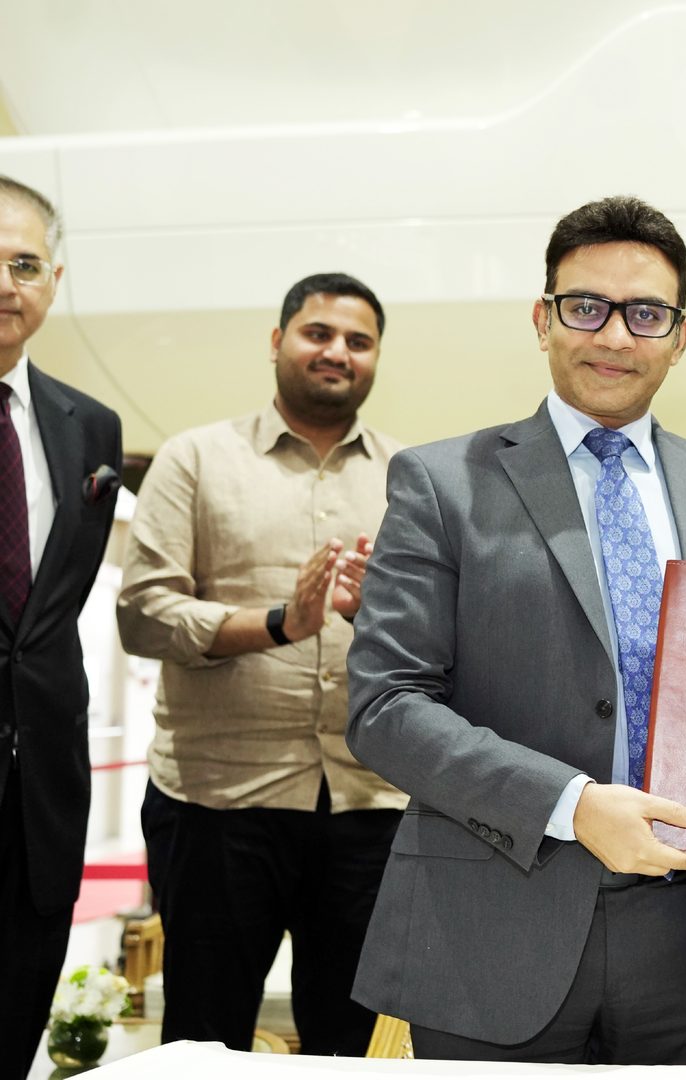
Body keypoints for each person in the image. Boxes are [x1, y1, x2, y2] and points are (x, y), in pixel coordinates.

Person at [345, 196, 686, 1065]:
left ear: (681, 335)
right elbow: (386, 707)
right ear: (543, 320)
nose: (615, 336)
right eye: (587, 307)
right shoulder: (442, 482)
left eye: (646, 314)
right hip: (493, 929)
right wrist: (572, 806)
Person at [116, 272, 403, 1054]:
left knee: (358, 1046)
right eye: (318, 333)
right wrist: (282, 622)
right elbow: (143, 613)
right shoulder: (195, 460)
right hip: (217, 801)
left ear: (377, 358)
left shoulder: (413, 480)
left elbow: (443, 640)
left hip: (368, 804)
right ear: (278, 342)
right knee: (204, 1042)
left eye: (359, 341)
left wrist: (376, 614)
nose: (337, 351)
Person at [0, 176, 123, 1080]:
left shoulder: (92, 428)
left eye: (25, 263)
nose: (7, 283)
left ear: (55, 279)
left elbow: (52, 612)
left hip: (40, 794)